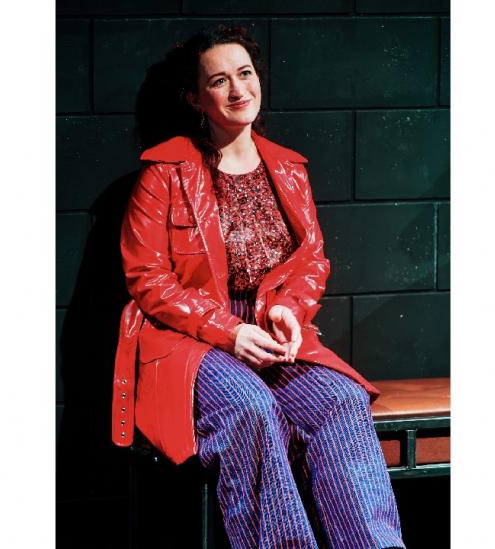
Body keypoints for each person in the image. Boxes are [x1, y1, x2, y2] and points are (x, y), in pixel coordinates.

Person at [112, 24, 406, 549]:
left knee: (341, 399)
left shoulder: (289, 169)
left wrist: (291, 308)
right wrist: (228, 331)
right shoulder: (164, 172)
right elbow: (147, 278)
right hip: (189, 342)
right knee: (251, 407)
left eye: (245, 74)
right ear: (195, 97)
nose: (238, 89)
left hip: (268, 330)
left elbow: (311, 259)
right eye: (219, 80)